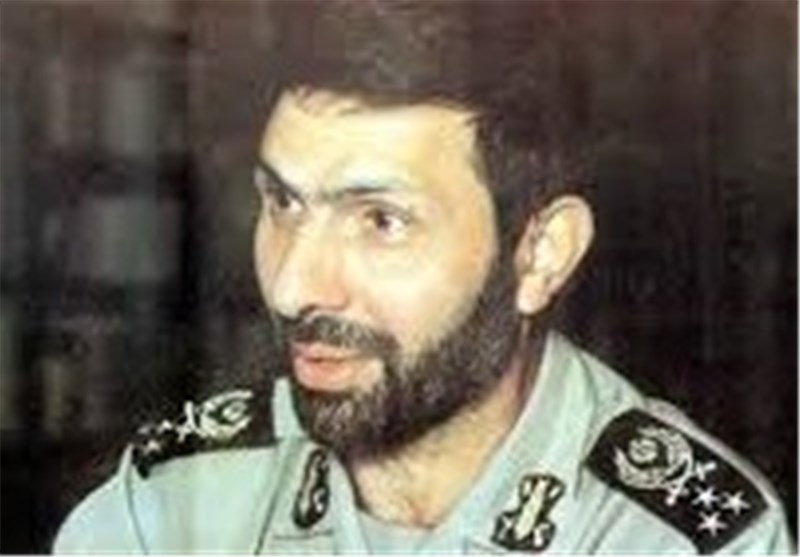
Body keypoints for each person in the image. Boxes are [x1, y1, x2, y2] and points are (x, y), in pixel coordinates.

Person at [54, 1, 793, 553]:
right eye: (283, 202)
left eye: (381, 220)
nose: (292, 288)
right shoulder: (177, 501)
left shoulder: (674, 537)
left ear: (541, 254)